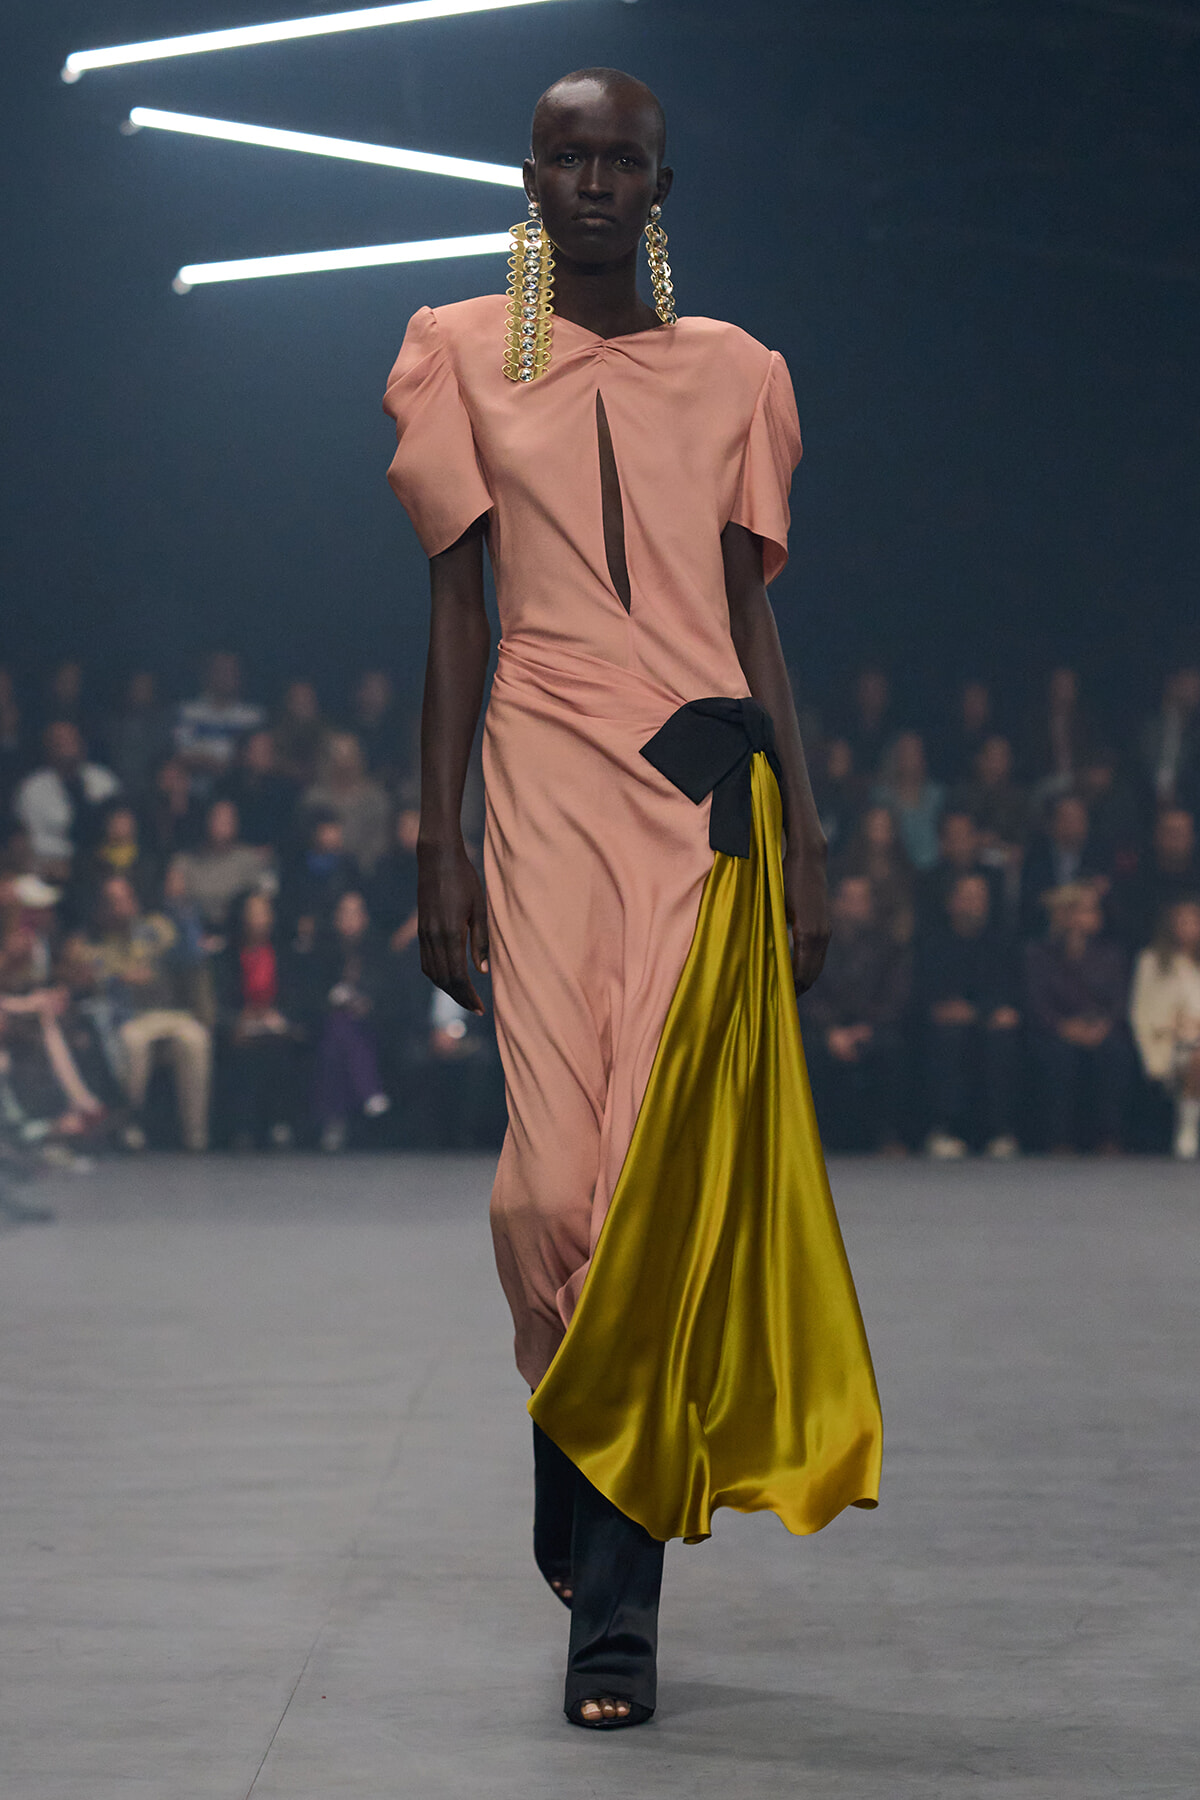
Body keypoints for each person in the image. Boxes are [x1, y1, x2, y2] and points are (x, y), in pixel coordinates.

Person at [383, 68, 880, 1730]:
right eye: (567, 156)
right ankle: (574, 1431)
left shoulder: (737, 373)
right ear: (529, 178)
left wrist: (810, 841)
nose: (594, 181)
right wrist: (437, 840)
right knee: (545, 1196)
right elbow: (458, 616)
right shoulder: (460, 353)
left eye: (624, 160)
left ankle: (616, 1614)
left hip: (699, 801)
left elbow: (750, 621)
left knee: (652, 1192)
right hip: (535, 786)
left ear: (662, 188)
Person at [81, 874, 212, 1151]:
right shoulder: (95, 944)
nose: (121, 907)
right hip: (130, 1018)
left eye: (125, 899)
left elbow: (189, 953)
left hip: (169, 1013)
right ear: (101, 908)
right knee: (132, 1043)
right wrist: (120, 979)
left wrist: (181, 909)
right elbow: (96, 983)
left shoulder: (156, 928)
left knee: (195, 1039)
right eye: (112, 902)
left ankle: (195, 1134)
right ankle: (128, 1125)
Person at [799, 873, 912, 1152]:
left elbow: (895, 995)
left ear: (872, 905)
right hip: (826, 1030)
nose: (855, 906)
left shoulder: (890, 947)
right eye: (849, 899)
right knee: (803, 1048)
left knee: (894, 1047)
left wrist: (867, 1027)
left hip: (872, 1027)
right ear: (835, 903)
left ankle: (887, 1135)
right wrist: (831, 1031)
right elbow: (806, 994)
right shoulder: (812, 945)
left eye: (861, 900)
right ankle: (814, 1136)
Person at [916, 872, 1020, 1158]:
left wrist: (978, 1012)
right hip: (945, 1024)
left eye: (980, 898)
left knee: (1003, 1038)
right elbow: (929, 997)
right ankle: (945, 1128)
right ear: (951, 902)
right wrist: (959, 1011)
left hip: (986, 1020)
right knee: (947, 1037)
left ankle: (999, 1131)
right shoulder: (933, 943)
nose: (974, 904)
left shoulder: (1001, 942)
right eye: (967, 897)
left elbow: (1008, 992)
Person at [1024, 883, 1132, 1153]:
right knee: (1058, 1055)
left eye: (1092, 910)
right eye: (1082, 910)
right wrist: (1063, 1027)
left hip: (1100, 1028)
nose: (1090, 916)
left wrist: (1102, 1026)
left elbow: (1119, 1000)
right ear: (1063, 914)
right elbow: (1036, 1002)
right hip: (1055, 1029)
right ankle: (1058, 1138)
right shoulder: (1038, 953)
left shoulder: (1110, 954)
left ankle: (1109, 1137)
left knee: (1115, 1052)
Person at [303, 890, 392, 1153]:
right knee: (338, 1028)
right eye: (344, 913)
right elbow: (310, 995)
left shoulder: (378, 951)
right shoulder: (322, 952)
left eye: (355, 913)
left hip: (371, 1026)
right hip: (327, 1024)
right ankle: (369, 1090)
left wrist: (367, 1003)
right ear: (335, 918)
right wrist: (333, 999)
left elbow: (390, 994)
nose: (349, 919)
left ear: (365, 918)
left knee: (339, 1037)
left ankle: (333, 1120)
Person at [214, 891, 301, 1149]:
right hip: (239, 1027)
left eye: (264, 912)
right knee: (244, 1056)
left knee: (280, 1051)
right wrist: (238, 1020)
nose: (259, 919)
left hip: (276, 1025)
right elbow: (219, 1002)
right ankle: (243, 1128)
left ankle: (279, 1124)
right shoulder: (227, 956)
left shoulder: (285, 954)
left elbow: (295, 998)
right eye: (253, 913)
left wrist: (280, 1016)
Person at [1129, 897, 1200, 1159]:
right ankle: (1187, 1131)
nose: (1189, 928)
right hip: (1170, 1044)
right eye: (1182, 921)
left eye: (1194, 921)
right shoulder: (1151, 961)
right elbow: (1142, 1013)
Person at [13, 722, 120, 877]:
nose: (67, 747)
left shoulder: (104, 780)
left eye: (72, 740)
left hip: (105, 865)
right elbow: (31, 838)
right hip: (52, 869)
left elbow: (121, 823)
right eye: (59, 741)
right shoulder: (32, 790)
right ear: (47, 747)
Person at [169, 798, 274, 934]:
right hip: (194, 929)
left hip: (237, 930)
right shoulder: (186, 859)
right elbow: (174, 899)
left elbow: (262, 896)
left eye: (227, 819)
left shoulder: (248, 859)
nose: (222, 823)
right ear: (207, 821)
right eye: (217, 818)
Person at [302, 732, 391, 877]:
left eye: (350, 755)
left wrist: (355, 865)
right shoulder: (314, 798)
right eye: (339, 755)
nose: (344, 763)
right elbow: (303, 842)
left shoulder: (375, 799)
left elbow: (380, 844)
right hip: (318, 875)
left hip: (365, 875)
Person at [1113, 806, 1200, 952]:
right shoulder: (1137, 880)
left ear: (1193, 837)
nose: (1175, 838)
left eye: (1181, 832)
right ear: (1156, 836)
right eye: (1170, 832)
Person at [174, 652, 265, 790]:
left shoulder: (253, 717)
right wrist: (213, 764)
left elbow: (260, 760)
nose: (225, 676)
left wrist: (230, 766)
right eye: (220, 670)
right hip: (195, 792)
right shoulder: (188, 712)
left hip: (241, 791)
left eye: (230, 670)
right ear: (208, 673)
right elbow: (181, 754)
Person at [1019, 792, 1105, 938]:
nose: (1075, 825)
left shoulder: (1099, 854)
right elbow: (1033, 898)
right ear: (1052, 823)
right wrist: (1072, 896)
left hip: (1092, 933)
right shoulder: (1037, 854)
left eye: (1079, 819)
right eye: (1068, 819)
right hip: (1044, 931)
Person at [833, 801, 915, 944]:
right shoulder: (846, 867)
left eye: (884, 827)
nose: (879, 835)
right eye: (874, 827)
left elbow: (904, 919)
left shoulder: (905, 871)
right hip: (849, 940)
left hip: (889, 943)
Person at [871, 731, 946, 871]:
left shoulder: (937, 795)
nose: (910, 757)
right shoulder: (881, 796)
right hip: (895, 869)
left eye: (915, 751)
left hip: (935, 869)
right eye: (905, 751)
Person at [215, 729, 300, 851]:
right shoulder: (225, 787)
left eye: (267, 751)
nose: (262, 756)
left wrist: (272, 848)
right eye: (257, 750)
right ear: (244, 752)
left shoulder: (286, 791)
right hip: (230, 852)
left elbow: (289, 831)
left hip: (271, 855)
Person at [103, 670, 174, 802]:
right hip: (116, 788)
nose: (141, 691)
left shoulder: (162, 726)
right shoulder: (112, 724)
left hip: (150, 792)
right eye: (138, 686)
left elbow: (163, 759)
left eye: (145, 687)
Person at [1139, 665, 1200, 813]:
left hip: (1187, 805)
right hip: (1144, 800)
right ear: (1172, 684)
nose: (1193, 690)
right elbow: (1137, 766)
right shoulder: (1147, 726)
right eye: (1188, 683)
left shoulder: (1195, 734)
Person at [271, 680, 328, 786]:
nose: (303, 704)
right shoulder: (275, 736)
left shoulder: (328, 734)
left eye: (307, 698)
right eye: (298, 699)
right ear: (288, 703)